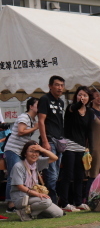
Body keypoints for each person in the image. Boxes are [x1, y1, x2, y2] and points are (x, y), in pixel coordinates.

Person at [58, 86, 94, 211]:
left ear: (89, 98)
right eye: (80, 95)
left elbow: (89, 131)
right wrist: (80, 103)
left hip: (81, 147)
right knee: (68, 175)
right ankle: (64, 203)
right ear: (76, 96)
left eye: (85, 95)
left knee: (80, 175)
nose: (82, 97)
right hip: (69, 145)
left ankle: (78, 202)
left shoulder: (90, 112)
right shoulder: (70, 108)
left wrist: (90, 148)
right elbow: (74, 107)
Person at [10, 141, 64, 221]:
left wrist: (42, 149)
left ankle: (31, 214)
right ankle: (23, 212)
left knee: (59, 213)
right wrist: (37, 194)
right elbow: (19, 186)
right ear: (25, 153)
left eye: (37, 152)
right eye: (31, 151)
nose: (34, 154)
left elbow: (55, 158)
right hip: (21, 198)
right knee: (46, 201)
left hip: (34, 198)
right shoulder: (18, 166)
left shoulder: (37, 163)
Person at [3, 98, 40, 214]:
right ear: (31, 106)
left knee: (19, 176)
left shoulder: (32, 119)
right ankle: (11, 204)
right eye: (38, 105)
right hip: (13, 149)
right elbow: (20, 131)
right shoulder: (24, 117)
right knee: (13, 176)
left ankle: (18, 202)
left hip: (20, 151)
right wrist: (35, 127)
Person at [37, 75, 65, 204]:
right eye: (57, 85)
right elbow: (41, 121)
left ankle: (52, 200)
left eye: (61, 85)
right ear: (50, 86)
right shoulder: (44, 99)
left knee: (57, 172)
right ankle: (51, 201)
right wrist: (45, 141)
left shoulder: (61, 102)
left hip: (59, 140)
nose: (60, 88)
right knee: (51, 173)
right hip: (49, 139)